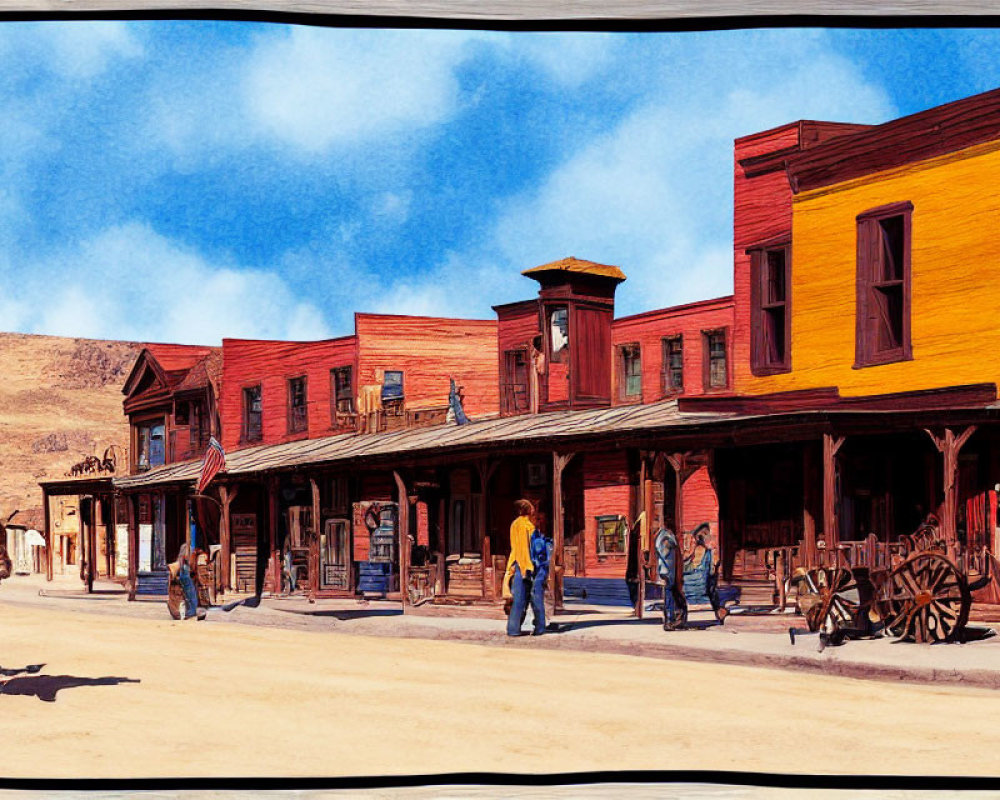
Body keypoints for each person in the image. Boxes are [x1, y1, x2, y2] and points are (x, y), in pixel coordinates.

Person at [503, 499, 536, 637]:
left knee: (519, 599)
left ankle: (514, 628)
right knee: (520, 600)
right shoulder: (525, 525)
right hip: (522, 565)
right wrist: (526, 568)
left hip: (515, 562)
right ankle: (514, 629)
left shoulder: (515, 523)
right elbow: (524, 548)